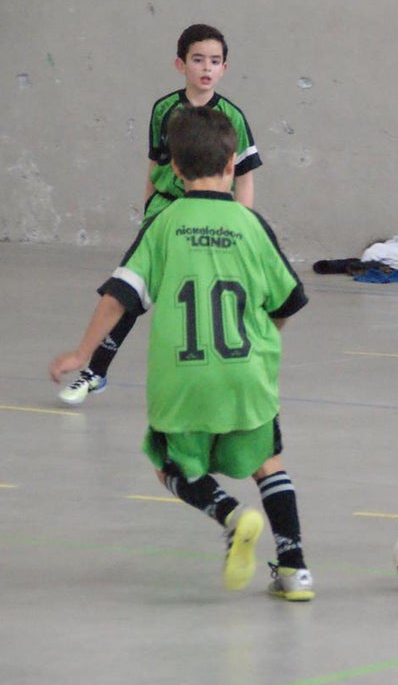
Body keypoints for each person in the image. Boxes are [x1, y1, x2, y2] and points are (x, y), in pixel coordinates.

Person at [50, 106, 313, 601]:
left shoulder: (165, 223)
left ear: (174, 168)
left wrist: (83, 355)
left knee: (169, 465)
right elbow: (289, 301)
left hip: (184, 380)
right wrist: (264, 335)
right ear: (233, 163)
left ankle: (231, 515)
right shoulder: (252, 225)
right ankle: (295, 569)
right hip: (246, 377)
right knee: (268, 462)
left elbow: (118, 297)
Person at [58, 23, 263, 406]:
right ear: (180, 64)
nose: (206, 67)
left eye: (215, 61)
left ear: (224, 68)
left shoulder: (233, 116)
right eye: (198, 59)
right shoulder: (163, 109)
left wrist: (243, 223)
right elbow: (155, 165)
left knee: (208, 297)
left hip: (213, 216)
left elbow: (245, 176)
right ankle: (94, 371)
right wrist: (148, 212)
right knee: (130, 293)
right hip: (166, 211)